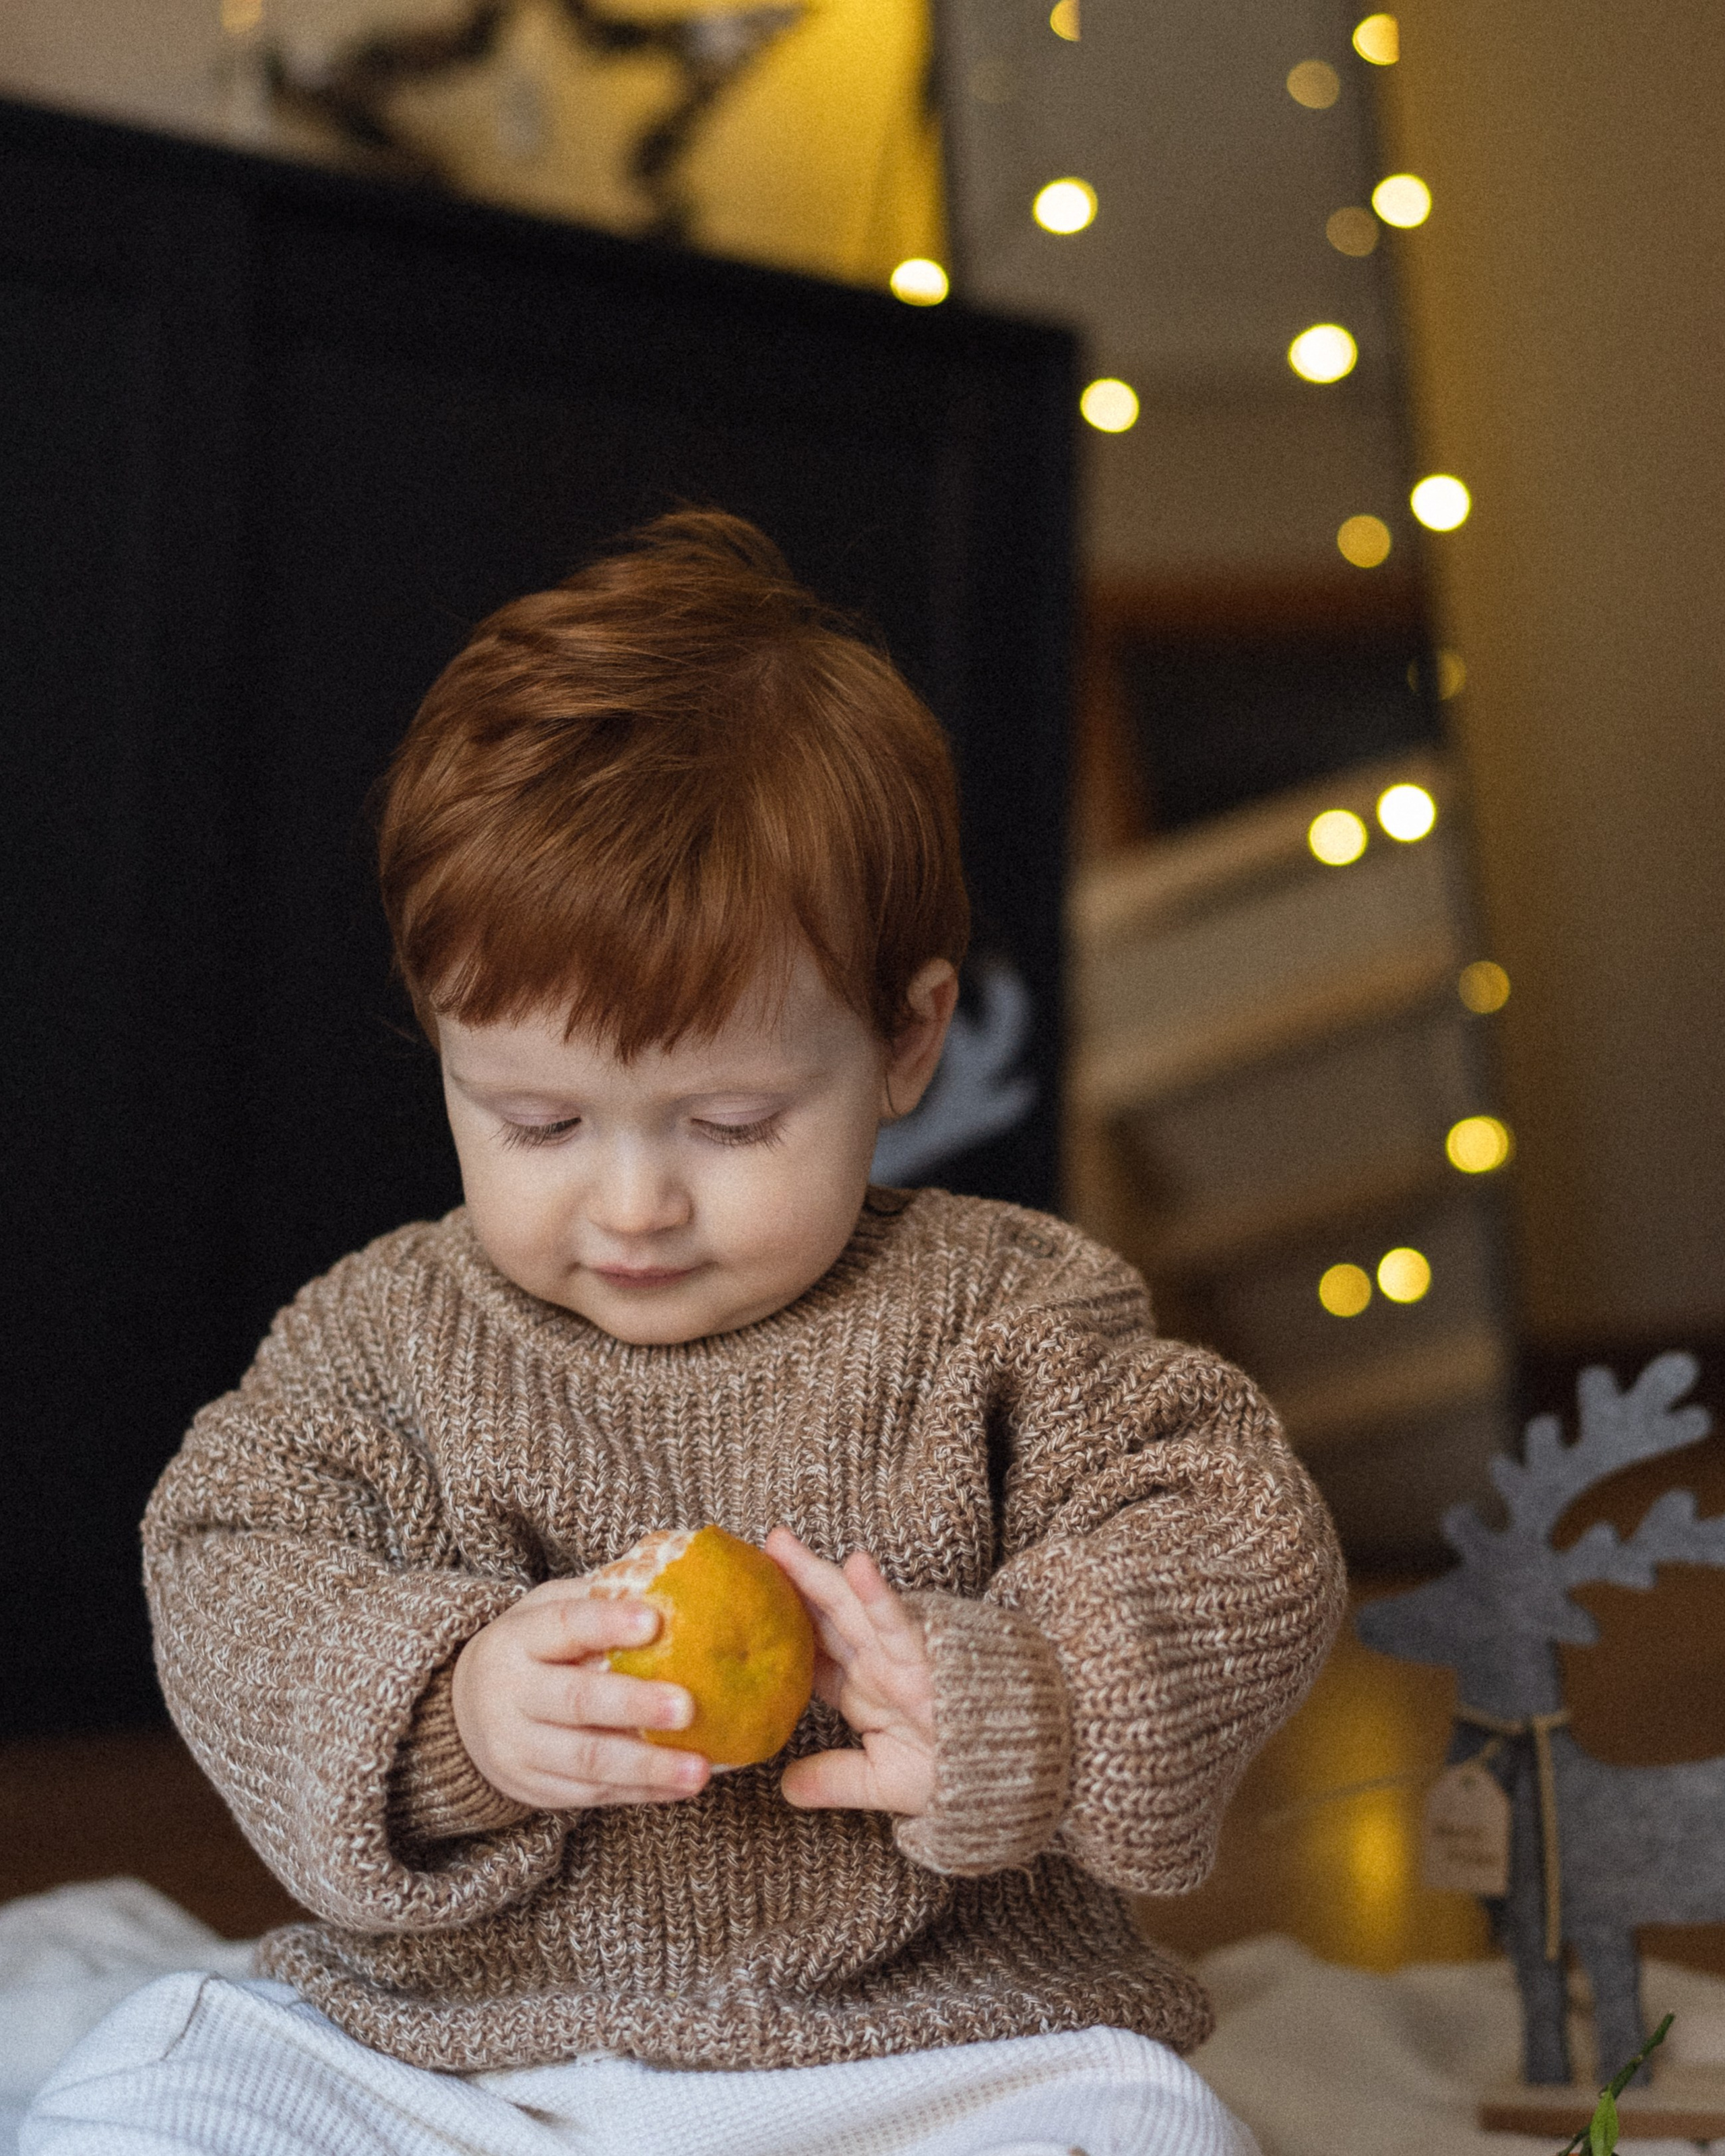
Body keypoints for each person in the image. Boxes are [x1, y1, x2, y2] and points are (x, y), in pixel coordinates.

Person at [24, 511, 1344, 2156]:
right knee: (152, 2080)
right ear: (442, 1048)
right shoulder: (382, 1340)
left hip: (922, 2053)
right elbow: (226, 1552)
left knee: (1142, 2123)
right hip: (460, 2052)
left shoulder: (1007, 1312)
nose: (632, 1203)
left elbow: (1234, 1528)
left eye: (725, 1122)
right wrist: (449, 1703)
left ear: (903, 1039)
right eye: (537, 1121)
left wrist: (1027, 1696)